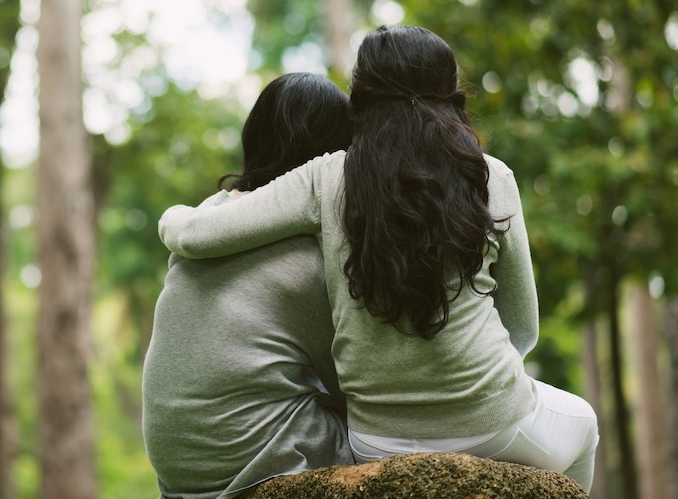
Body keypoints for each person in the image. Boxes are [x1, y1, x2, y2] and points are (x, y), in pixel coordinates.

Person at [158, 26, 599, 492]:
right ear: (452, 97)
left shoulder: (327, 177)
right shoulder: (490, 177)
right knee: (584, 424)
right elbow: (522, 326)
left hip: (375, 439)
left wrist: (173, 216)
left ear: (360, 102)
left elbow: (195, 234)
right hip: (494, 421)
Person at [142, 72, 356, 499]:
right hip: (252, 465)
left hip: (177, 472)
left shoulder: (210, 213)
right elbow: (348, 380)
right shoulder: (304, 256)